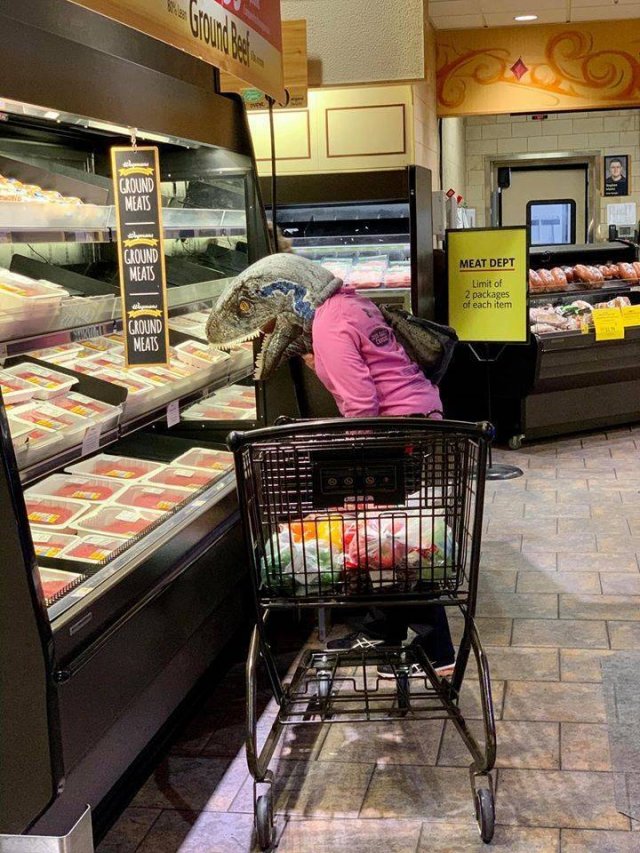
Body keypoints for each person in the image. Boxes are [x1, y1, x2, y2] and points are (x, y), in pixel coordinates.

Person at [205, 253, 455, 678]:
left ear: (288, 296)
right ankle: (383, 632)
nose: (266, 327)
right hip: (413, 419)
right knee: (385, 536)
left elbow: (360, 403)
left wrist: (349, 458)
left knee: (392, 541)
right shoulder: (350, 304)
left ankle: (435, 647)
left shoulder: (328, 323)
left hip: (393, 432)